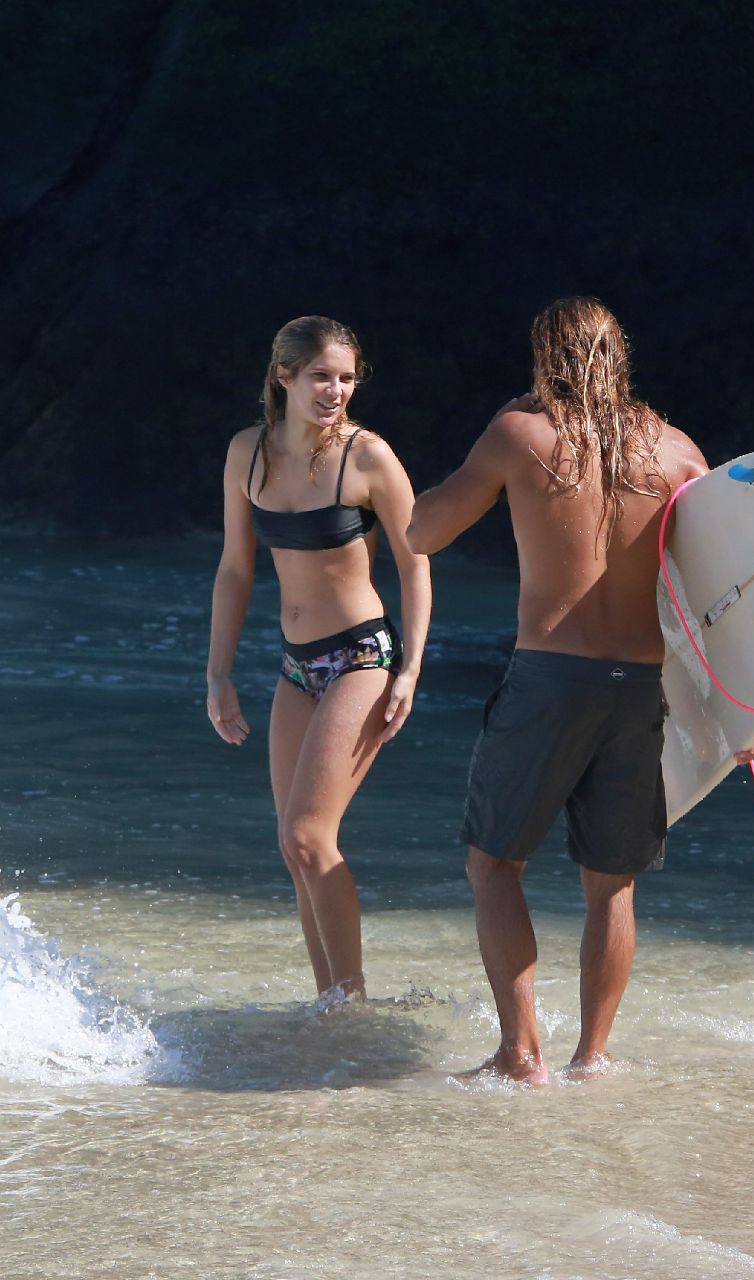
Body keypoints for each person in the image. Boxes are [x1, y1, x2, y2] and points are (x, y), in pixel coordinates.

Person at [407, 296, 754, 1084]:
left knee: (494, 864)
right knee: (613, 883)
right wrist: (745, 710)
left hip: (549, 682)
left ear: (544, 358)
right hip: (639, 689)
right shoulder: (678, 454)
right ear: (620, 356)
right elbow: (730, 592)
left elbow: (422, 533)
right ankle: (591, 1057)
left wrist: (492, 440)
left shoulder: (520, 435)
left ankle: (519, 1052)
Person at [207, 315, 431, 1004]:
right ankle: (327, 1002)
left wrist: (412, 670)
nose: (335, 390)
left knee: (309, 834)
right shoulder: (248, 453)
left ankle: (351, 1004)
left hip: (363, 655)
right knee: (292, 845)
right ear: (284, 377)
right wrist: (218, 673)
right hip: (296, 665)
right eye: (321, 377)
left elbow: (415, 563)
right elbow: (236, 569)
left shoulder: (368, 457)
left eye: (346, 378)